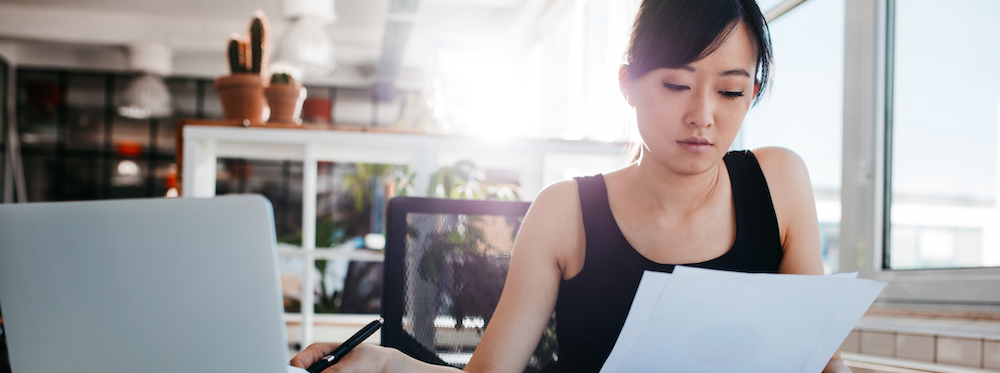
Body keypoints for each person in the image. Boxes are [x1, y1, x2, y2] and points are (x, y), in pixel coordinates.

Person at [291, 0, 852, 371]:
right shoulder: (565, 212)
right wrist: (384, 364)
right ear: (628, 84)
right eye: (677, 84)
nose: (703, 115)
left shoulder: (779, 182)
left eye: (731, 92)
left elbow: (822, 361)